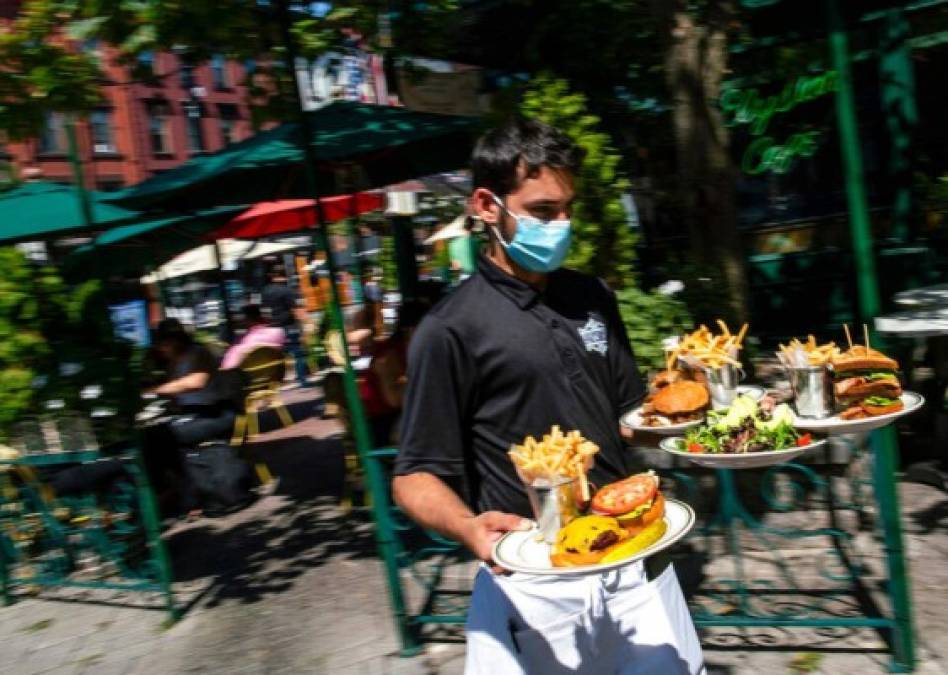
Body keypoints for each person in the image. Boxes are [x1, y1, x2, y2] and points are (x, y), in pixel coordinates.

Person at [392, 118, 704, 674]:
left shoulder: (592, 295)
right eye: (542, 211)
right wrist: (467, 528)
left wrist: (702, 413)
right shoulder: (449, 329)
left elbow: (630, 420)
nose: (562, 225)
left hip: (636, 556)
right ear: (487, 206)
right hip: (539, 579)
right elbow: (413, 476)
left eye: (568, 209)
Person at [142, 319, 241, 517]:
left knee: (164, 438)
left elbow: (196, 382)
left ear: (176, 341)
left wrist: (155, 391)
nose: (162, 349)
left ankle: (190, 495)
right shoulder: (172, 363)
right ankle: (185, 493)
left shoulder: (198, 353)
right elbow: (177, 398)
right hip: (193, 414)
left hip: (215, 414)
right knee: (152, 437)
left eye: (164, 344)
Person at [261, 263, 310, 387]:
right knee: (298, 354)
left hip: (271, 329)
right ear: (285, 275)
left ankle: (277, 382)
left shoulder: (264, 291)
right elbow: (297, 310)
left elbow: (262, 311)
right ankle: (302, 381)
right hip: (289, 327)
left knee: (276, 357)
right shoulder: (288, 291)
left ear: (272, 276)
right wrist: (305, 326)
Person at [221, 304, 286, 370]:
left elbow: (228, 370)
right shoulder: (278, 332)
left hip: (252, 374)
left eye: (243, 318)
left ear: (248, 319)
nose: (241, 321)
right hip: (274, 372)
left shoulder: (247, 340)